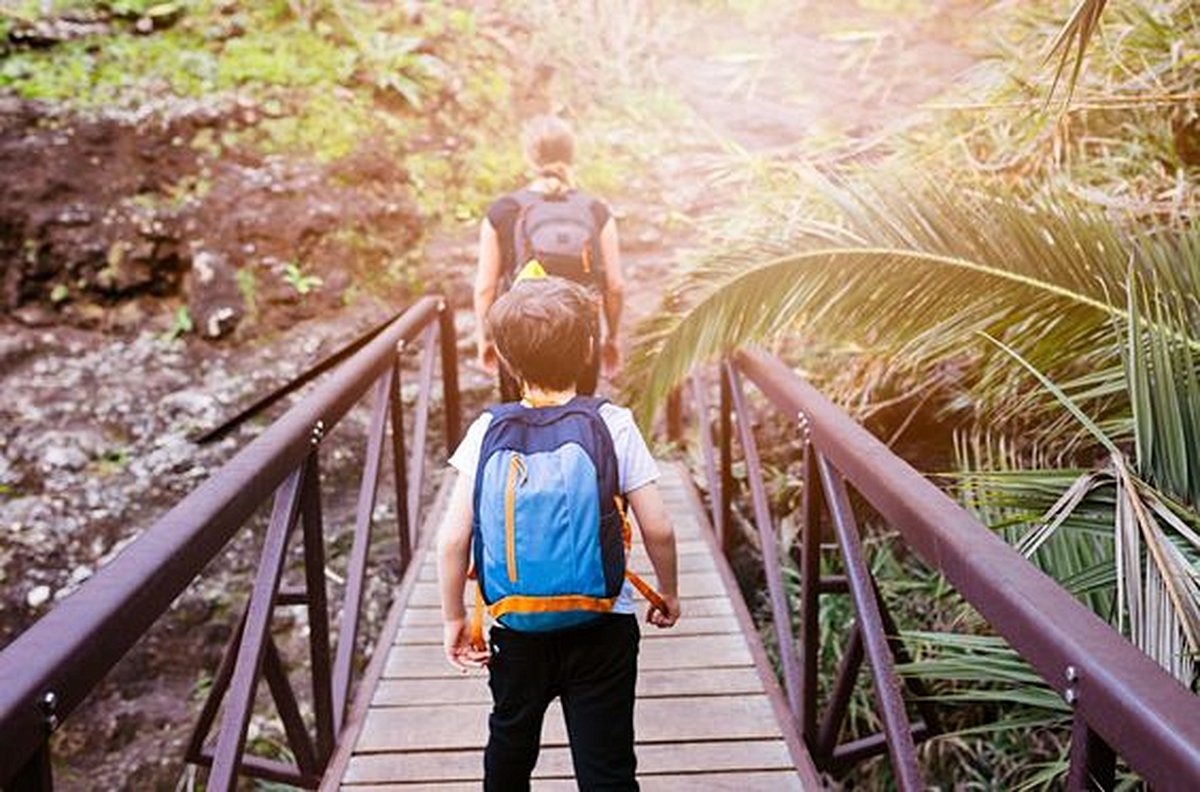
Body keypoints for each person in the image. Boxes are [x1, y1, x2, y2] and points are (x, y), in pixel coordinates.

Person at [438, 278, 680, 791]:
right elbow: (658, 525)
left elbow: (452, 541)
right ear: (589, 347)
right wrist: (669, 591)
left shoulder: (486, 430)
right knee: (607, 763)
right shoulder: (613, 423)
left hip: (514, 628)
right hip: (604, 624)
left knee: (509, 744)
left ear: (505, 358)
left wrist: (455, 618)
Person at [474, 114, 625, 401]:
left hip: (519, 337)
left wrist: (487, 339)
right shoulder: (596, 210)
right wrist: (611, 338)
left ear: (529, 157)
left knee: (520, 420)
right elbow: (615, 286)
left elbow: (485, 289)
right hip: (581, 338)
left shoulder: (503, 211)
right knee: (579, 419)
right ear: (571, 154)